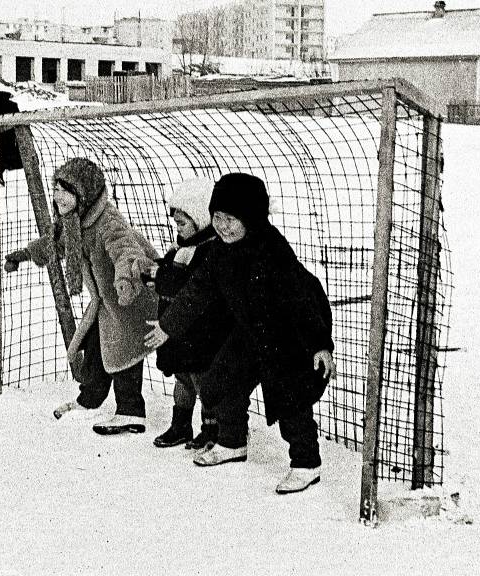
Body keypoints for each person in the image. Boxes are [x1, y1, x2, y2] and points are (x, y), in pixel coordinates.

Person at [144, 173, 337, 494]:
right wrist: (168, 326)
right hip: (249, 332)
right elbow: (196, 293)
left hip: (288, 335)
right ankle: (232, 442)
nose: (223, 226)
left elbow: (305, 298)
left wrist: (320, 344)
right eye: (217, 217)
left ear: (251, 218)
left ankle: (306, 464)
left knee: (291, 402)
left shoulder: (272, 249)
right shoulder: (219, 252)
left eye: (231, 219)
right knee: (219, 381)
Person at [3, 157, 159, 435]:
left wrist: (125, 279)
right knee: (98, 351)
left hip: (132, 296)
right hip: (108, 303)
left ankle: (131, 412)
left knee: (123, 353)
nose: (58, 197)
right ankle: (89, 400)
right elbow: (54, 244)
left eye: (66, 191)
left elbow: (126, 250)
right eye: (57, 190)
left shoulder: (107, 220)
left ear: (83, 194)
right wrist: (25, 254)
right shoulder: (73, 223)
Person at [143, 177, 231, 450]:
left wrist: (160, 276)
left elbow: (188, 284)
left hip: (200, 334)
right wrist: (154, 270)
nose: (178, 228)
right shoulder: (181, 249)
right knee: (183, 378)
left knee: (202, 381)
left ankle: (212, 427)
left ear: (202, 220)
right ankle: (180, 424)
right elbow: (168, 271)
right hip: (178, 333)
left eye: (183, 222)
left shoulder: (209, 251)